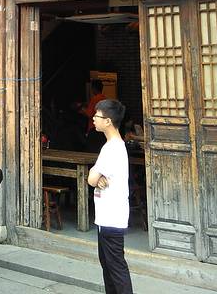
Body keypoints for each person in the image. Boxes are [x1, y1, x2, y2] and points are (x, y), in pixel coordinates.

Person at [88, 99, 133, 294]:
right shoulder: (114, 146)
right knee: (108, 265)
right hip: (108, 216)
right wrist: (97, 176)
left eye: (97, 116)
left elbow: (91, 178)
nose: (93, 119)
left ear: (107, 121)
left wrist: (95, 175)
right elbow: (95, 177)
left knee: (115, 267)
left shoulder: (111, 148)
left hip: (111, 216)